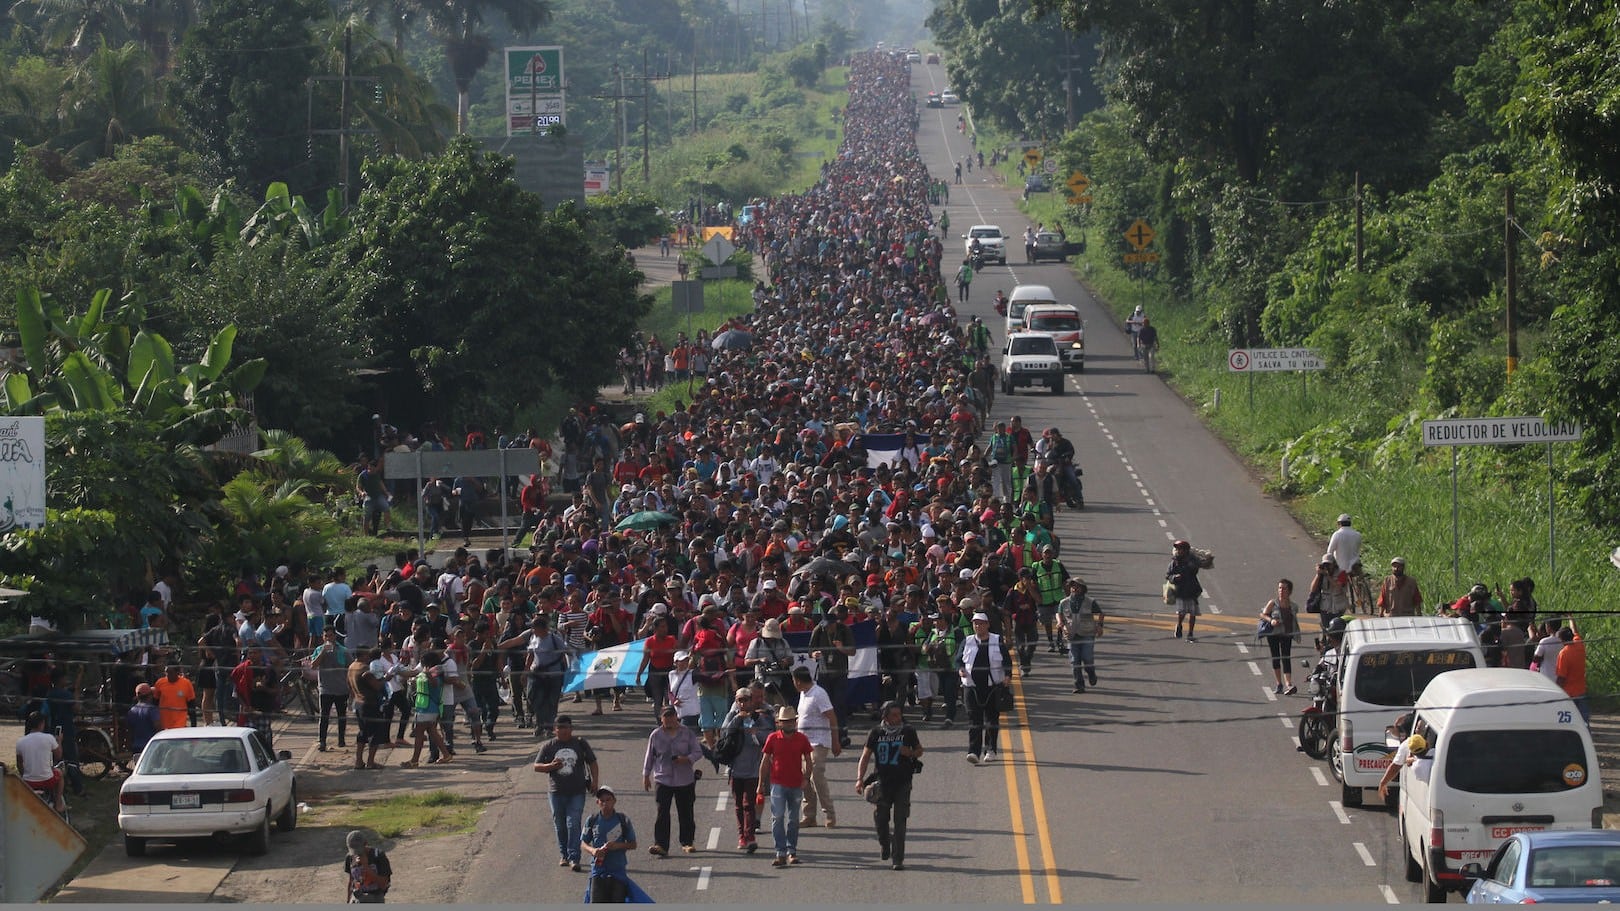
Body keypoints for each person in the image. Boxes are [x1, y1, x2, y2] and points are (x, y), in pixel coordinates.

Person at [855, 701, 923, 871]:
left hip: (903, 782)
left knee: (900, 820)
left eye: (899, 714)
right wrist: (859, 779)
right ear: (885, 716)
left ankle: (898, 858)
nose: (898, 718)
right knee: (881, 819)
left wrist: (911, 753)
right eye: (894, 715)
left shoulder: (908, 731)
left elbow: (920, 750)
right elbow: (865, 756)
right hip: (883, 783)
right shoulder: (876, 733)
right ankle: (885, 844)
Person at [534, 714, 601, 870]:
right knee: (560, 825)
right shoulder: (549, 746)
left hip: (577, 791)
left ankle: (574, 857)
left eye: (567, 728)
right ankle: (563, 854)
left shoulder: (580, 743)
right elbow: (536, 766)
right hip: (556, 792)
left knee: (573, 823)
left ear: (572, 729)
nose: (564, 731)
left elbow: (592, 763)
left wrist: (595, 782)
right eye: (560, 728)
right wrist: (550, 766)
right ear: (554, 730)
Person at [642, 705, 704, 856]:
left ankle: (687, 842)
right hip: (663, 778)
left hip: (685, 779)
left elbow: (697, 751)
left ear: (676, 716)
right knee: (662, 812)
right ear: (661, 718)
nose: (669, 719)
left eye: (671, 716)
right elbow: (650, 755)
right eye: (665, 716)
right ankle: (661, 845)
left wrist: (686, 759)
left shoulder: (686, 733)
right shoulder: (656, 735)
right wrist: (646, 775)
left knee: (686, 812)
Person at [758, 705, 814, 867]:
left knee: (793, 820)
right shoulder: (773, 738)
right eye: (785, 721)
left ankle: (792, 851)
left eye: (791, 721)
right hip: (778, 784)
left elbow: (809, 761)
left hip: (796, 784)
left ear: (795, 722)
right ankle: (780, 852)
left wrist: (806, 778)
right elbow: (764, 762)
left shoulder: (802, 739)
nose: (789, 724)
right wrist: (760, 783)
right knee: (777, 817)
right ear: (779, 723)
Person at [719, 687, 771, 852]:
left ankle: (750, 838)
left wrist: (756, 732)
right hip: (735, 770)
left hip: (753, 770)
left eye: (746, 700)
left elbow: (768, 737)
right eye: (739, 700)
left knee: (749, 804)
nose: (743, 703)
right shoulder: (732, 716)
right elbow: (723, 734)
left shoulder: (759, 718)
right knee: (738, 805)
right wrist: (737, 720)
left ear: (751, 701)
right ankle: (742, 835)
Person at [791, 665, 840, 829]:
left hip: (818, 742)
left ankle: (830, 813)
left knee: (816, 777)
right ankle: (809, 816)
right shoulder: (803, 695)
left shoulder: (819, 694)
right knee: (804, 779)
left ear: (798, 681)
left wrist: (835, 741)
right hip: (803, 743)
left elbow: (832, 718)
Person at [958, 612, 1007, 764]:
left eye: (981, 623)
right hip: (971, 687)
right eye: (975, 624)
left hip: (992, 686)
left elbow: (1007, 660)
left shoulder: (996, 640)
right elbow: (958, 660)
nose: (978, 626)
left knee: (992, 720)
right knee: (974, 720)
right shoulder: (967, 641)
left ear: (987, 625)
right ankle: (973, 751)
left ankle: (991, 749)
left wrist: (1008, 675)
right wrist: (960, 669)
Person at [582, 786, 643, 903]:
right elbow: (583, 843)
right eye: (602, 800)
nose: (605, 803)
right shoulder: (592, 820)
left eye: (608, 799)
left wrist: (617, 846)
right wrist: (593, 851)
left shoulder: (623, 820)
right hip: (598, 871)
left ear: (614, 801)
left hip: (617, 871)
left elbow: (633, 844)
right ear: (597, 802)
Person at [14, 711, 65, 813]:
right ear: (42, 723)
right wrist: (59, 741)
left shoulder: (20, 741)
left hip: (29, 781)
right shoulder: (49, 738)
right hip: (47, 780)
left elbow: (19, 763)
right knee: (59, 774)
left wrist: (25, 775)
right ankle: (58, 802)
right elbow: (58, 756)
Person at [1058, 578, 1103, 694]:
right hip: (1072, 635)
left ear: (1083, 589)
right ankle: (1079, 685)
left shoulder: (1090, 601)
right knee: (1074, 661)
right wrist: (1061, 624)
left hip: (1087, 634)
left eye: (1077, 586)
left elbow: (1100, 613)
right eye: (1072, 586)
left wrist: (1099, 625)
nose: (1074, 588)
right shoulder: (1064, 602)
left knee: (1087, 658)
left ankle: (1091, 672)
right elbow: (1059, 614)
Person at [1259, 579, 1300, 695]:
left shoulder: (1294, 606)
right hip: (1273, 634)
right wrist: (1271, 620)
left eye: (1284, 588)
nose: (1281, 591)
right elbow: (1262, 614)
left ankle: (1288, 684)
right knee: (1276, 658)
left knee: (1286, 657)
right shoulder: (1273, 603)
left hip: (1286, 634)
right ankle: (1279, 684)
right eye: (1280, 588)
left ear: (1290, 591)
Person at [1166, 540, 1203, 641]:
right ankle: (1179, 625)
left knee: (1193, 613)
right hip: (1180, 591)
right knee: (1181, 612)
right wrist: (1174, 578)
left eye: (1180, 549)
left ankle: (1190, 633)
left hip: (1191, 589)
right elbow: (1168, 575)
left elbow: (1195, 570)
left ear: (1186, 550)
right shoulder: (1174, 562)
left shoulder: (1192, 561)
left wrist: (1191, 565)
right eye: (1177, 549)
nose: (1178, 551)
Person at [1554, 619, 1588, 723]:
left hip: (1569, 694)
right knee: (1583, 722)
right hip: (1581, 691)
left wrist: (1555, 690)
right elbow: (1575, 630)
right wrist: (1571, 618)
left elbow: (1561, 678)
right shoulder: (1579, 644)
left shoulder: (1564, 654)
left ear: (1562, 640)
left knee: (1568, 721)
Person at [344, 830, 392, 903]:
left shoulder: (378, 856)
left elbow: (383, 884)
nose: (356, 853)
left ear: (365, 844)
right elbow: (351, 881)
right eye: (353, 850)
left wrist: (366, 867)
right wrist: (348, 901)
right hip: (356, 898)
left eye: (358, 850)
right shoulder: (349, 857)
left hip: (375, 898)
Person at [1325, 514, 1362, 589]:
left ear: (1339, 524)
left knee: (1338, 587)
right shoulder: (1358, 534)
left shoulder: (1337, 534)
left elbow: (1329, 552)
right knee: (1359, 579)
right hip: (1355, 564)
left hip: (1341, 568)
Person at [126, 683, 161, 756]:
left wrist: (129, 745)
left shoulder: (131, 711)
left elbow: (130, 731)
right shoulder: (152, 710)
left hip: (136, 748)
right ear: (150, 695)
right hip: (151, 747)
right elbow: (158, 727)